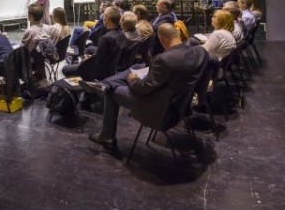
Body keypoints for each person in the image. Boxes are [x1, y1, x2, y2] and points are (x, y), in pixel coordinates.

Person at [80, 23, 207, 151]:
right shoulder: (200, 52)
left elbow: (143, 88)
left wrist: (133, 78)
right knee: (138, 67)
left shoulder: (165, 59)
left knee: (113, 91)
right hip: (180, 105)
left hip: (159, 109)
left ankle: (107, 136)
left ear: (162, 40)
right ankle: (105, 84)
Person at [62, 6, 125, 81]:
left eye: (103, 16)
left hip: (98, 73)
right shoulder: (121, 34)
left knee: (65, 69)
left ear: (107, 18)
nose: (102, 18)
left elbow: (96, 62)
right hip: (110, 71)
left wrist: (85, 61)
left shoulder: (106, 39)